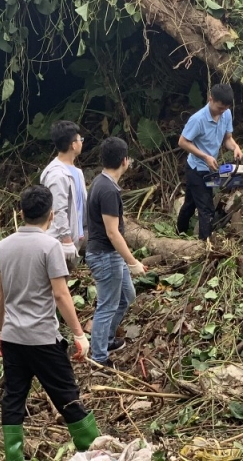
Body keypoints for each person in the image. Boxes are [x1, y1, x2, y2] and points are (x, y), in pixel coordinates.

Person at [0, 185, 98, 461]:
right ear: (51, 215)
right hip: (43, 339)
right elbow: (61, 294)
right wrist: (79, 335)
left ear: (22, 213)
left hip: (14, 338)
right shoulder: (50, 247)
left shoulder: (2, 247)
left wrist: (0, 330)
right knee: (68, 397)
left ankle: (14, 457)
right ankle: (95, 451)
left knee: (14, 398)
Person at [83, 136, 147, 367]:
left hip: (110, 254)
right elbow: (112, 232)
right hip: (105, 255)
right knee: (107, 305)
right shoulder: (108, 190)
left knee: (127, 296)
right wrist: (133, 261)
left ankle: (107, 338)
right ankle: (99, 357)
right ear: (125, 161)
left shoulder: (101, 183)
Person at [176, 84, 243, 240]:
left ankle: (179, 233)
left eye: (226, 108)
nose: (223, 111)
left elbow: (227, 139)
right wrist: (205, 156)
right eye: (220, 108)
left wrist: (235, 147)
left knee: (190, 204)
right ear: (211, 99)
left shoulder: (226, 114)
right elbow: (183, 142)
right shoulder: (198, 120)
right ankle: (205, 246)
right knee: (206, 209)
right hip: (197, 169)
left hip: (210, 167)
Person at [40, 120, 88, 271]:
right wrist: (66, 240)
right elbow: (59, 209)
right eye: (80, 139)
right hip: (59, 241)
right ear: (73, 145)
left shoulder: (77, 172)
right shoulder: (56, 175)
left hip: (77, 237)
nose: (81, 143)